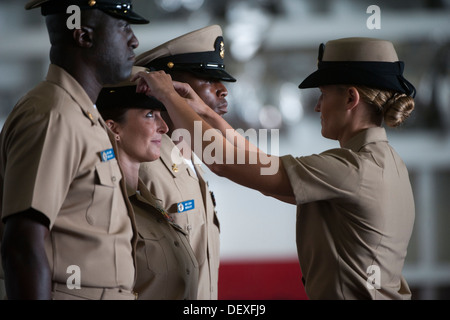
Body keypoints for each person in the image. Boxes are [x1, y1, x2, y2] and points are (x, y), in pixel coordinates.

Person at [131, 37, 417, 300]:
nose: (318, 107)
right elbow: (260, 163)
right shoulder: (385, 163)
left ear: (350, 98)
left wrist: (168, 95)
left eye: (323, 94)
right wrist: (204, 112)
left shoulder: (352, 169)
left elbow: (222, 161)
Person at [0, 0, 148, 300]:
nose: (134, 40)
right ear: (83, 35)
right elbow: (23, 244)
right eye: (122, 27)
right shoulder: (54, 116)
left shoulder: (84, 117)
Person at [134, 25, 236, 300]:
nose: (223, 90)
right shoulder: (143, 163)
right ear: (170, 86)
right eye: (208, 77)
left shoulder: (189, 157)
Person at [96, 66, 199, 300]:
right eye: (150, 115)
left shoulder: (150, 202)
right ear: (113, 128)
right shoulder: (105, 204)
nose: (164, 127)